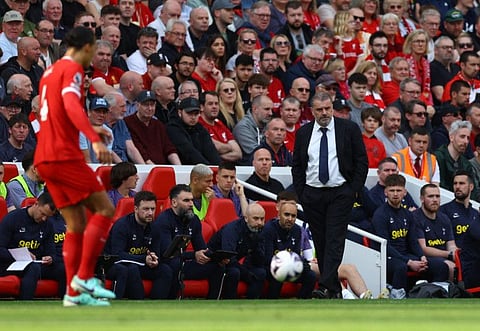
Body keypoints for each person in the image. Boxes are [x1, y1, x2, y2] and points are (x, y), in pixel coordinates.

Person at [34, 26, 116, 307]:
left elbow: (58, 110)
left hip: (44, 158)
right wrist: (93, 138)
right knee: (105, 208)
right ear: (87, 47)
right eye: (94, 50)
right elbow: (70, 104)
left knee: (76, 223)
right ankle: (84, 277)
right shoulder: (73, 70)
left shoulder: (49, 72)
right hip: (63, 156)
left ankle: (72, 293)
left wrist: (91, 125)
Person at [292, 92, 368, 299]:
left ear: (332, 108)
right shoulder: (303, 133)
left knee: (335, 239)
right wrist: (302, 192)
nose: (324, 113)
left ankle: (325, 285)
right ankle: (333, 290)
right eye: (319, 109)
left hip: (340, 192)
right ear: (312, 111)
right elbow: (297, 165)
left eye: (327, 108)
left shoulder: (348, 129)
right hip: (312, 194)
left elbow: (362, 161)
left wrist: (352, 190)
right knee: (321, 241)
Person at [372, 174, 444, 299]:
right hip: (386, 257)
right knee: (401, 266)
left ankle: (437, 294)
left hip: (406, 255)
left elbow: (413, 241)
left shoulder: (408, 214)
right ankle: (398, 296)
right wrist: (409, 262)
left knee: (439, 265)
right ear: (385, 192)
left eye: (399, 190)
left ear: (404, 192)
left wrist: (421, 257)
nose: (395, 194)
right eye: (392, 190)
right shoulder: (380, 214)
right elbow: (385, 246)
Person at [150, 184, 225, 299]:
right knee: (174, 264)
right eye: (186, 201)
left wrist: (214, 256)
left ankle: (212, 304)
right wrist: (194, 255)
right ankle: (171, 300)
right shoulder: (164, 221)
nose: (191, 204)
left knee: (217, 266)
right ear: (174, 203)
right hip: (163, 263)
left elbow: (201, 248)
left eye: (192, 200)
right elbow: (167, 253)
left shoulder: (193, 219)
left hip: (183, 261)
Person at [105, 191, 174, 299]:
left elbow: (155, 252)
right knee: (132, 268)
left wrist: (154, 260)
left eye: (153, 209)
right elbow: (117, 255)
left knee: (165, 269)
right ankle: (138, 302)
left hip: (141, 264)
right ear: (136, 209)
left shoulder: (155, 227)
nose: (150, 213)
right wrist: (143, 259)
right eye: (146, 209)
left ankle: (157, 304)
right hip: (117, 265)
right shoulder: (122, 226)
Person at [0, 192, 66, 300]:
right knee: (32, 268)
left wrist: (50, 258)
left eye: (47, 216)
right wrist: (20, 255)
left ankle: (65, 303)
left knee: (62, 269)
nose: (44, 219)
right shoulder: (13, 219)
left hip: (36, 263)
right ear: (36, 204)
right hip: (11, 264)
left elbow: (51, 251)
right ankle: (25, 303)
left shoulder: (47, 225)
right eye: (42, 214)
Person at [207, 203, 267, 299]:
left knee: (260, 273)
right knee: (234, 272)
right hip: (216, 263)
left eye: (262, 219)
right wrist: (247, 275)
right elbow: (229, 258)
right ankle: (229, 304)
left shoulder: (258, 231)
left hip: (235, 263)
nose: (259, 222)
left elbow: (259, 260)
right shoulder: (232, 230)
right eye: (255, 219)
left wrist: (257, 242)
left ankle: (252, 305)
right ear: (246, 218)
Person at [263, 201, 316, 299]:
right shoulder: (269, 229)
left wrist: (302, 264)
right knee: (279, 274)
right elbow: (267, 259)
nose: (290, 219)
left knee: (311, 275)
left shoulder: (297, 230)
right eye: (286, 215)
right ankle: (272, 303)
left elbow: (295, 256)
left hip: (289, 267)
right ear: (279, 215)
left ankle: (300, 303)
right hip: (271, 267)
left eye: (293, 216)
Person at [412, 184, 458, 281]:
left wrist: (457, 254)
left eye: (437, 196)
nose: (435, 200)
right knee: (450, 267)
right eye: (430, 196)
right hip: (424, 258)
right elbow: (423, 249)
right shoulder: (415, 218)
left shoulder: (444, 218)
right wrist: (449, 255)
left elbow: (451, 245)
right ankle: (449, 294)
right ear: (422, 199)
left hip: (443, 256)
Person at [124, 90, 181, 165]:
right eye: (146, 105)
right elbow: (138, 149)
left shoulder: (158, 124)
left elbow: (169, 148)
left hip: (162, 167)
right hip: (142, 167)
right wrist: (153, 167)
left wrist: (179, 167)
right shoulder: (128, 122)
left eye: (152, 105)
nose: (150, 108)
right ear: (137, 106)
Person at [167, 97, 221, 165]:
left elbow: (211, 151)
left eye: (196, 113)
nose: (193, 117)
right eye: (189, 113)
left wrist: (218, 168)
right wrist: (207, 168)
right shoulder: (173, 128)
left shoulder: (200, 128)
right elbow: (188, 151)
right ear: (180, 112)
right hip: (184, 169)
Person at [434, 120, 476, 196]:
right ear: (451, 137)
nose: (466, 141)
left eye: (468, 138)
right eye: (462, 137)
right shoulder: (438, 157)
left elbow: (472, 191)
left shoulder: (466, 164)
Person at [198, 91, 242, 163]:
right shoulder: (199, 124)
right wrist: (229, 147)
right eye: (210, 104)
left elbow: (238, 153)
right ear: (201, 107)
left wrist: (217, 155)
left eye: (216, 104)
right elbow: (213, 147)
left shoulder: (219, 123)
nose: (214, 106)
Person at [440, 170, 479, 249]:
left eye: (461, 183)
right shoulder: (444, 210)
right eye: (455, 183)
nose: (457, 187)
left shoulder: (476, 213)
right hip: (455, 256)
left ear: (471, 187)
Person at [233, 95, 273, 165]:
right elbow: (259, 153)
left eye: (271, 109)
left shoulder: (268, 124)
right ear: (255, 109)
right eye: (267, 109)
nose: (270, 113)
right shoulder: (242, 127)